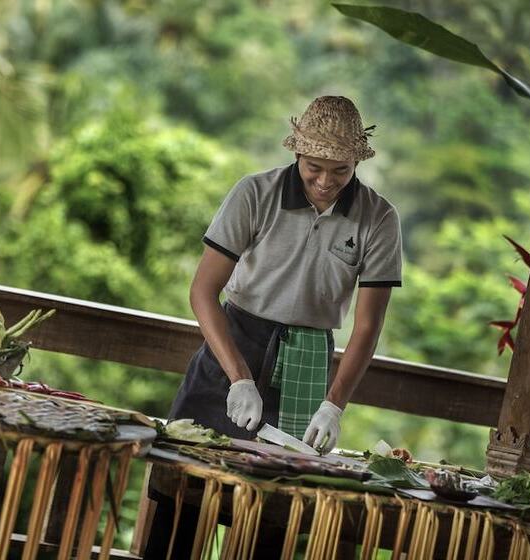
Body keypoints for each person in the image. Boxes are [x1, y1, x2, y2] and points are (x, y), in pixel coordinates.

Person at [144, 95, 402, 559]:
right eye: (313, 168)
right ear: (296, 154)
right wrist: (240, 378)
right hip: (233, 344)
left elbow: (366, 329)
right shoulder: (254, 193)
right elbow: (204, 292)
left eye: (339, 171)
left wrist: (334, 405)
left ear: (356, 163)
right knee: (182, 499)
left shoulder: (379, 219)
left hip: (308, 357)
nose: (325, 182)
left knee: (271, 519)